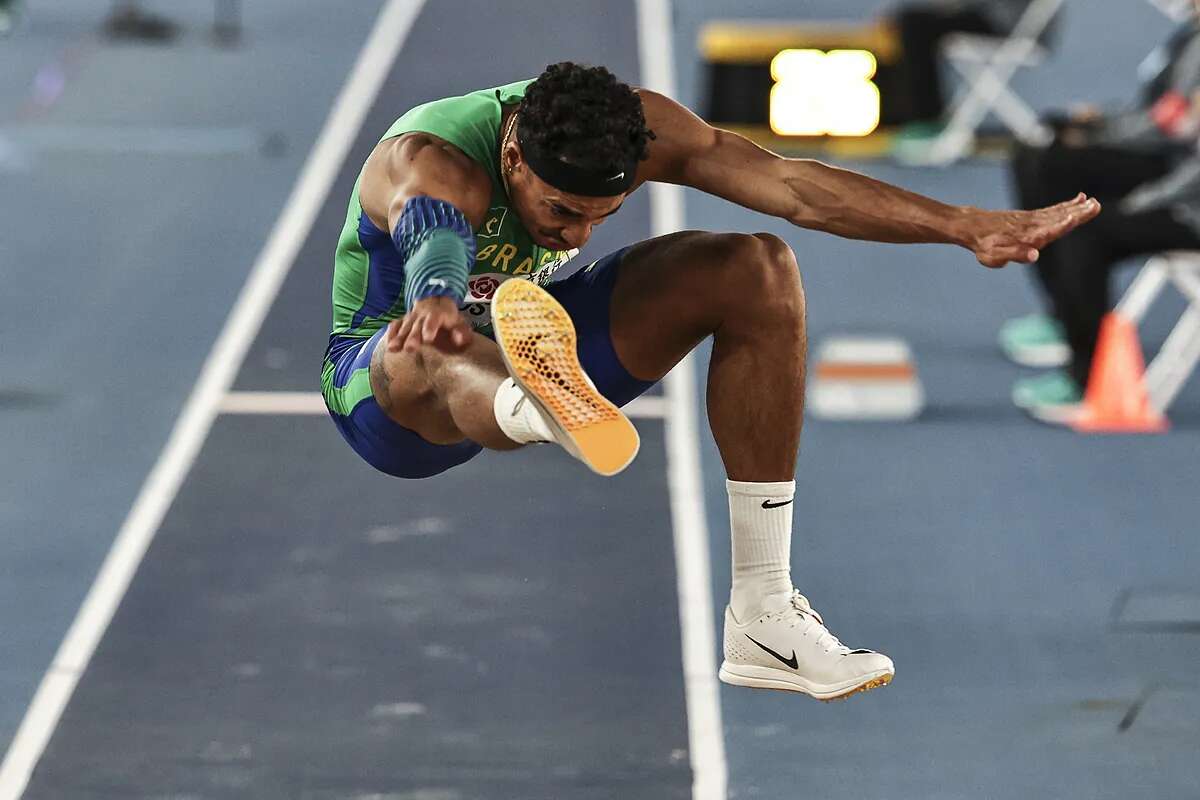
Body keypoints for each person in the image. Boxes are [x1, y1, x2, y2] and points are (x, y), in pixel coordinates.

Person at [322, 63, 1098, 701]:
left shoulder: (638, 127)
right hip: (392, 389)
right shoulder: (433, 160)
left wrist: (965, 225)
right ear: (515, 157)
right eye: (560, 211)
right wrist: (433, 301)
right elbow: (432, 235)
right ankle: (536, 403)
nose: (574, 236)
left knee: (756, 268)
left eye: (603, 215)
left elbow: (793, 188)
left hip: (531, 326)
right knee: (427, 345)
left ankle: (763, 610)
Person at [1005, 6, 1200, 422]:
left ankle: (1088, 380)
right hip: (1180, 185)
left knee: (1085, 232)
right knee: (1048, 161)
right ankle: (1068, 322)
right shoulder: (1189, 36)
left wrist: (1143, 200)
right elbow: (1168, 115)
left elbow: (1178, 140)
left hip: (1187, 203)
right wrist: (1101, 126)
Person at [890, 0, 1047, 127]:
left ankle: (926, 120)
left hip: (1006, 23)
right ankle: (924, 117)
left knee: (913, 24)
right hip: (1001, 19)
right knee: (911, 21)